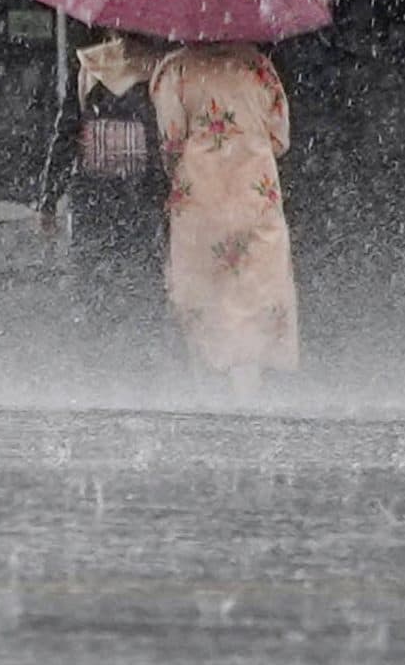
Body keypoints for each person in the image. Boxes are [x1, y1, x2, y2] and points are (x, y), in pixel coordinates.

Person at [148, 41, 299, 396]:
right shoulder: (259, 68)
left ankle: (207, 384)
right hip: (254, 193)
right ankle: (248, 384)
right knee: (255, 287)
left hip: (201, 196)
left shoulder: (175, 70)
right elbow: (280, 138)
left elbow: (170, 139)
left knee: (202, 289)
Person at [36, 30, 170, 341]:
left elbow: (66, 133)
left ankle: (100, 345)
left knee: (94, 277)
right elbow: (166, 133)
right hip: (142, 189)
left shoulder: (90, 64)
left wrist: (49, 198)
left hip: (94, 188)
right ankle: (139, 344)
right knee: (143, 278)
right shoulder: (158, 70)